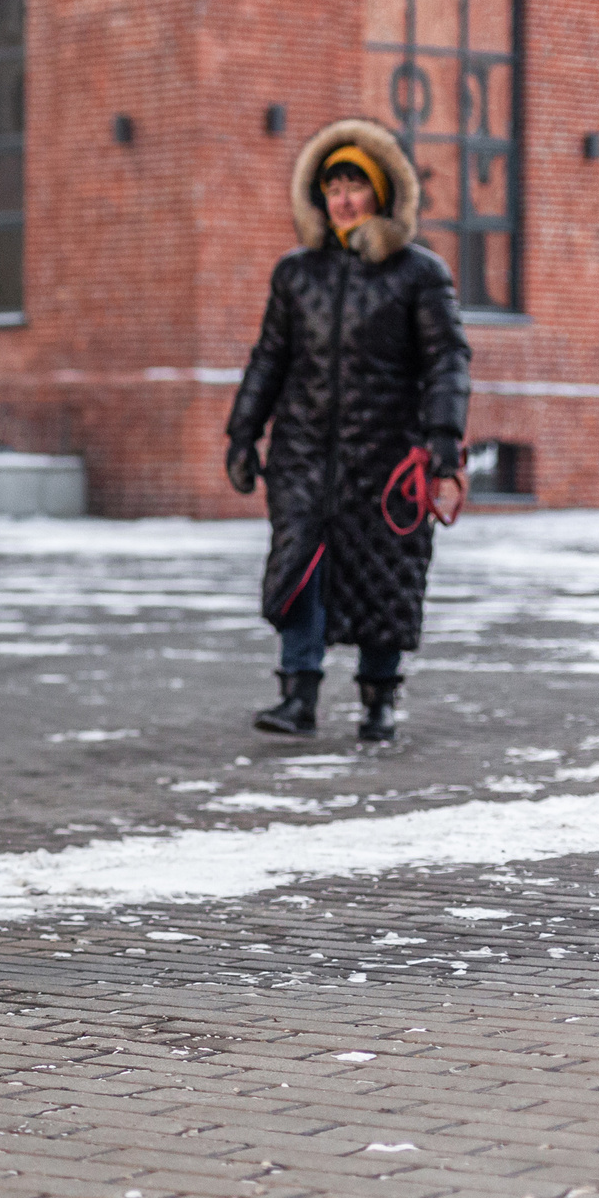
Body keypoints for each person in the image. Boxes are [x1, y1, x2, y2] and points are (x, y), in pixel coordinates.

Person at [224, 119, 472, 743]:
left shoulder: (419, 273)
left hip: (388, 454)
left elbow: (447, 357)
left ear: (382, 193)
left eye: (355, 185)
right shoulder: (295, 273)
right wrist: (242, 434)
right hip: (303, 452)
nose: (342, 198)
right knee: (297, 567)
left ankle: (378, 703)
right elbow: (270, 357)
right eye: (332, 185)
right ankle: (297, 697)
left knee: (384, 576)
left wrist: (444, 439)